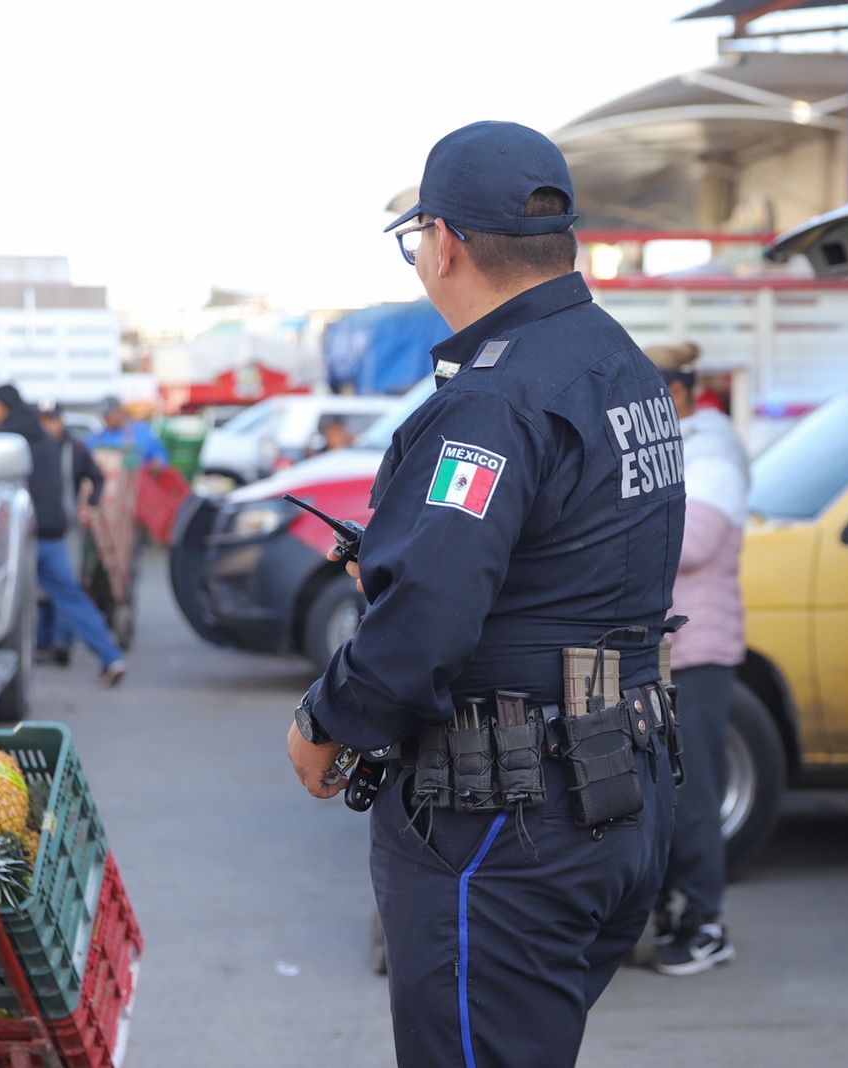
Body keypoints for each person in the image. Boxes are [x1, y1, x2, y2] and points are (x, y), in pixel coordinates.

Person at [286, 121, 684, 1068]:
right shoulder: (620, 364)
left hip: (507, 825)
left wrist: (323, 724)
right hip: (614, 793)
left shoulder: (493, 399)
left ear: (446, 243)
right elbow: (567, 565)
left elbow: (424, 625)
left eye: (418, 237)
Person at [644, 342, 748, 976]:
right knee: (657, 792)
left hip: (698, 649)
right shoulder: (672, 445)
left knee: (694, 792)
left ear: (677, 393)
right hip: (658, 650)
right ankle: (661, 915)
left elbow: (694, 542)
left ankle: (707, 925)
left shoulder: (712, 450)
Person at [0, 385, 126, 686]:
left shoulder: (5, 439)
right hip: (54, 534)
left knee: (4, 606)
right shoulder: (48, 440)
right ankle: (111, 657)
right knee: (72, 598)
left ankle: (6, 679)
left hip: (20, 539)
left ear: (2, 406)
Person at [36, 398, 107, 665]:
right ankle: (44, 642)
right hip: (43, 529)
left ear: (60, 420)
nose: (48, 426)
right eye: (43, 420)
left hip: (68, 529)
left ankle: (62, 642)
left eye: (51, 420)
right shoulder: (37, 448)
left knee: (67, 586)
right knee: (43, 590)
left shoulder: (75, 449)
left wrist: (89, 505)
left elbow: (97, 477)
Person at [89, 394, 168, 468]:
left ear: (121, 412)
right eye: (105, 416)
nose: (108, 418)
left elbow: (160, 456)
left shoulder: (142, 432)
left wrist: (157, 464)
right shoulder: (96, 438)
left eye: (111, 414)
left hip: (138, 476)